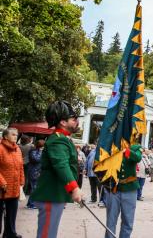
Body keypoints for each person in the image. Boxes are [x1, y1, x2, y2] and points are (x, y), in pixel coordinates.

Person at [31, 101, 83, 238]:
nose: (77, 122)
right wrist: (74, 188)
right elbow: (61, 164)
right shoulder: (58, 140)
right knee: (47, 235)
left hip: (55, 194)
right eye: (74, 119)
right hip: (51, 195)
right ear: (63, 122)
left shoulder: (63, 139)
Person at [104, 145, 142, 238]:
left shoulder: (135, 147)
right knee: (110, 221)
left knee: (128, 222)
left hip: (129, 189)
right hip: (113, 189)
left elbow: (138, 158)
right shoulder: (111, 145)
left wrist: (126, 150)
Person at [0, 128, 25, 238]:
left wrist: (22, 180)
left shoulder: (18, 149)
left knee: (12, 213)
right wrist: (2, 182)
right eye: (13, 134)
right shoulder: (0, 148)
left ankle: (10, 234)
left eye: (17, 135)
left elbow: (20, 167)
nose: (16, 136)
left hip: (14, 188)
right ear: (5, 137)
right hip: (2, 188)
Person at [26, 139, 45, 209]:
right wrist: (41, 152)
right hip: (33, 171)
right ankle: (32, 204)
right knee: (34, 188)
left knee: (34, 187)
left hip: (36, 171)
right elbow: (36, 159)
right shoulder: (33, 151)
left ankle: (29, 203)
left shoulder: (37, 151)